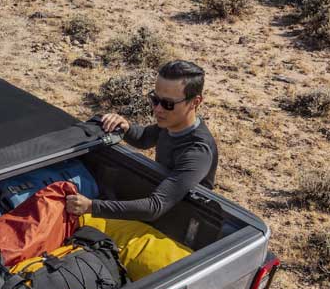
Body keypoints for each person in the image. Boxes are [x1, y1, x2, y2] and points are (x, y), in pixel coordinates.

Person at [65, 59, 218, 222]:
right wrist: (125, 127)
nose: (157, 109)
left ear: (195, 102)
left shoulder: (197, 152)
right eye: (155, 99)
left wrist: (91, 206)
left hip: (182, 220)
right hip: (164, 202)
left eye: (168, 103)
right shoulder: (172, 122)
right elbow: (145, 138)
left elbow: (155, 206)